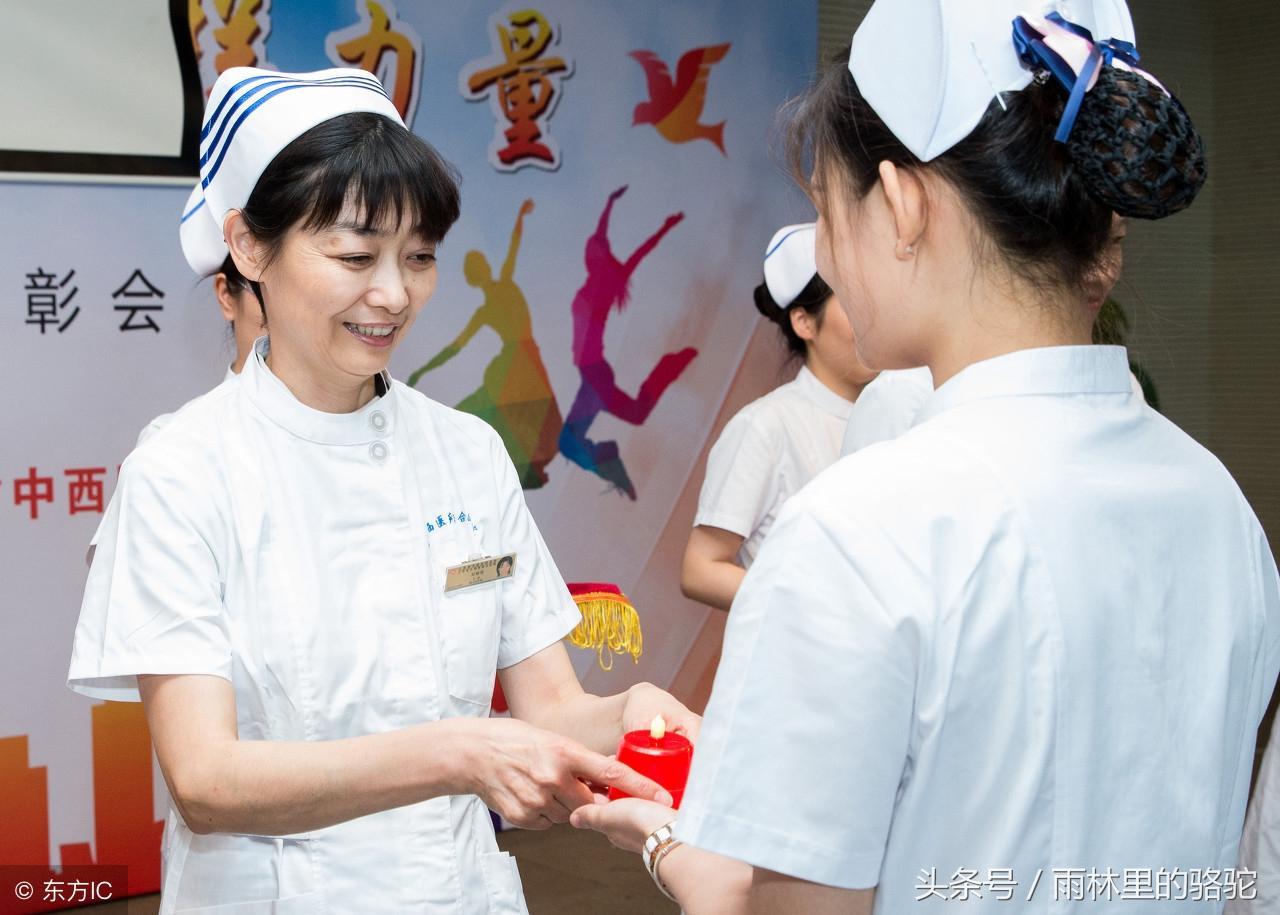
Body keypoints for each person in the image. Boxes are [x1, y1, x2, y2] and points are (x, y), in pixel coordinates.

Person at [573, 2, 1278, 912]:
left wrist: (671, 842)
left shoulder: (855, 530)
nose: (828, 254)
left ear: (903, 206)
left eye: (826, 210)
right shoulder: (1221, 508)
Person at [68, 67, 695, 913]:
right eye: (355, 256)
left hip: (460, 893)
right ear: (247, 246)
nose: (395, 295)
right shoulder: (182, 471)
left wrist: (628, 715)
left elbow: (551, 705)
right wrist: (458, 753)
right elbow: (205, 778)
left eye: (420, 257)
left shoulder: (467, 453)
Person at [681, 223, 876, 611]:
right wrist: (817, 606)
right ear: (804, 322)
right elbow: (701, 569)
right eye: (853, 303)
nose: (872, 319)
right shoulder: (766, 426)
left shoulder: (903, 413)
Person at [406, 198, 563, 489]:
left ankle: (511, 469)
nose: (479, 270)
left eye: (477, 265)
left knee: (512, 417)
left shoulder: (503, 286)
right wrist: (422, 371)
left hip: (522, 363)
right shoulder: (487, 309)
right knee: (481, 414)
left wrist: (521, 216)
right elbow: (455, 348)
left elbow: (514, 246)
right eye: (475, 268)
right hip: (517, 363)